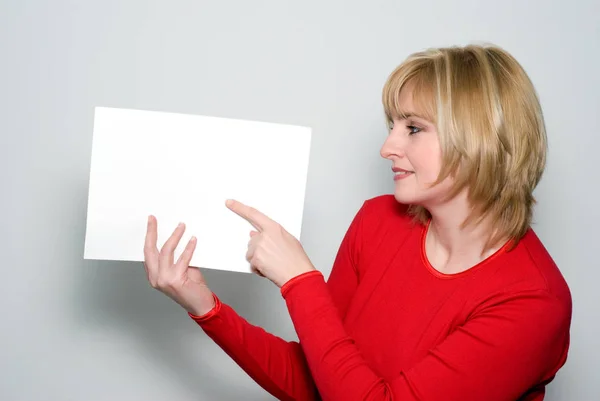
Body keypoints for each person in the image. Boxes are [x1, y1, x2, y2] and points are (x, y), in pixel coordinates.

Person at [142, 43, 572, 401]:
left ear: (477, 139)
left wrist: (300, 281)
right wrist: (205, 306)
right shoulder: (378, 221)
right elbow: (323, 381)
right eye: (393, 125)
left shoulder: (532, 301)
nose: (388, 147)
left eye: (414, 128)